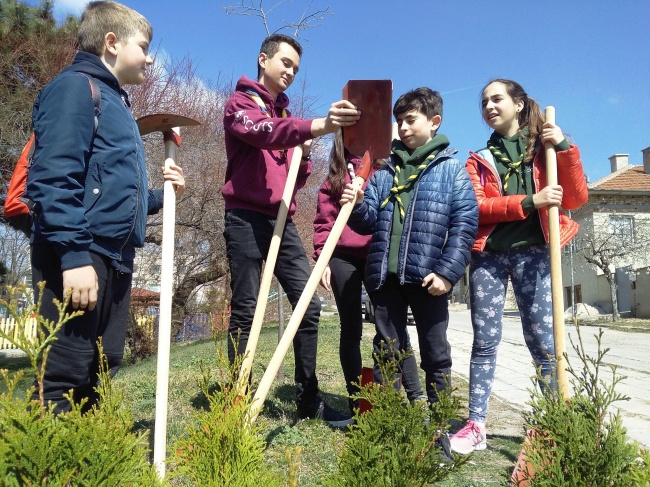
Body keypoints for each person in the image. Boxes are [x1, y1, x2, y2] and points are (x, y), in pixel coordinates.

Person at [27, 1, 186, 414]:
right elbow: (52, 178)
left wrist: (161, 196)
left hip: (116, 257)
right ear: (112, 43)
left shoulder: (120, 104)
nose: (150, 57)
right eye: (144, 46)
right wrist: (74, 255)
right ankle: (46, 471)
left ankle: (93, 465)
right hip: (81, 253)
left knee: (102, 367)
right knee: (64, 371)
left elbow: (111, 189)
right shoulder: (76, 88)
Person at [222, 33, 360, 425]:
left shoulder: (284, 117)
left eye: (296, 68)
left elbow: (291, 172)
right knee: (247, 310)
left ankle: (308, 400)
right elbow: (261, 133)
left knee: (308, 304)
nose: (290, 72)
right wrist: (317, 126)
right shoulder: (240, 104)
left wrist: (301, 166)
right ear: (263, 60)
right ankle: (237, 399)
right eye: (285, 63)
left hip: (280, 219)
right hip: (245, 217)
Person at [449, 79, 588, 454]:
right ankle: (476, 425)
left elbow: (575, 196)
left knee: (544, 343)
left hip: (536, 255)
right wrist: (530, 201)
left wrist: (563, 148)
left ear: (519, 103)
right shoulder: (478, 159)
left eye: (497, 99)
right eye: (484, 102)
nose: (489, 107)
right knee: (485, 341)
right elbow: (478, 208)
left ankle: (553, 424)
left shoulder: (545, 151)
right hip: (489, 256)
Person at [341, 87, 478, 407]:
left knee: (435, 352)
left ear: (434, 122)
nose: (402, 127)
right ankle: (386, 422)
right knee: (386, 352)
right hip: (384, 280)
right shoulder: (384, 173)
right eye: (398, 120)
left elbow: (464, 227)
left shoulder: (452, 172)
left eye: (410, 120)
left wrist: (447, 273)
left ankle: (440, 424)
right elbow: (366, 223)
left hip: (429, 278)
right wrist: (358, 205)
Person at [313, 130, 426, 415]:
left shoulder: (388, 169)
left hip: (380, 255)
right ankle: (358, 402)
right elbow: (323, 223)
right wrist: (322, 260)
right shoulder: (335, 179)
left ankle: (417, 399)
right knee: (350, 328)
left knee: (393, 328)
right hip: (343, 257)